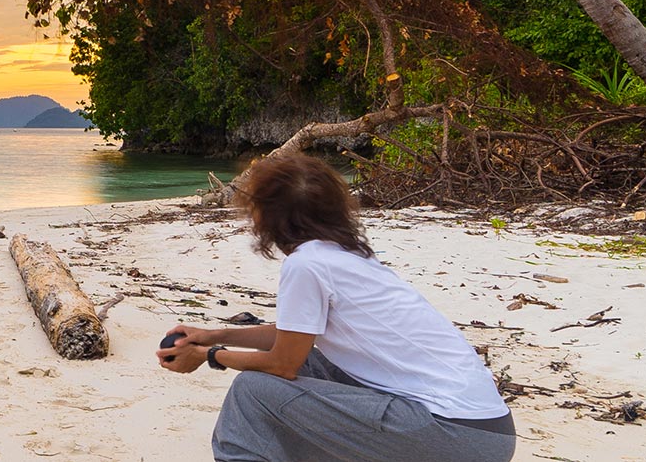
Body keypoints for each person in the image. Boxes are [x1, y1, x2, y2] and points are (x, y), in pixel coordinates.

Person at [154, 154, 516, 462]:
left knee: (252, 391)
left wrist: (211, 354)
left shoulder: (307, 264)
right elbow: (294, 339)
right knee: (316, 364)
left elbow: (282, 364)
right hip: (486, 429)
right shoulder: (344, 255)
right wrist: (214, 333)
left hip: (454, 434)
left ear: (268, 216)